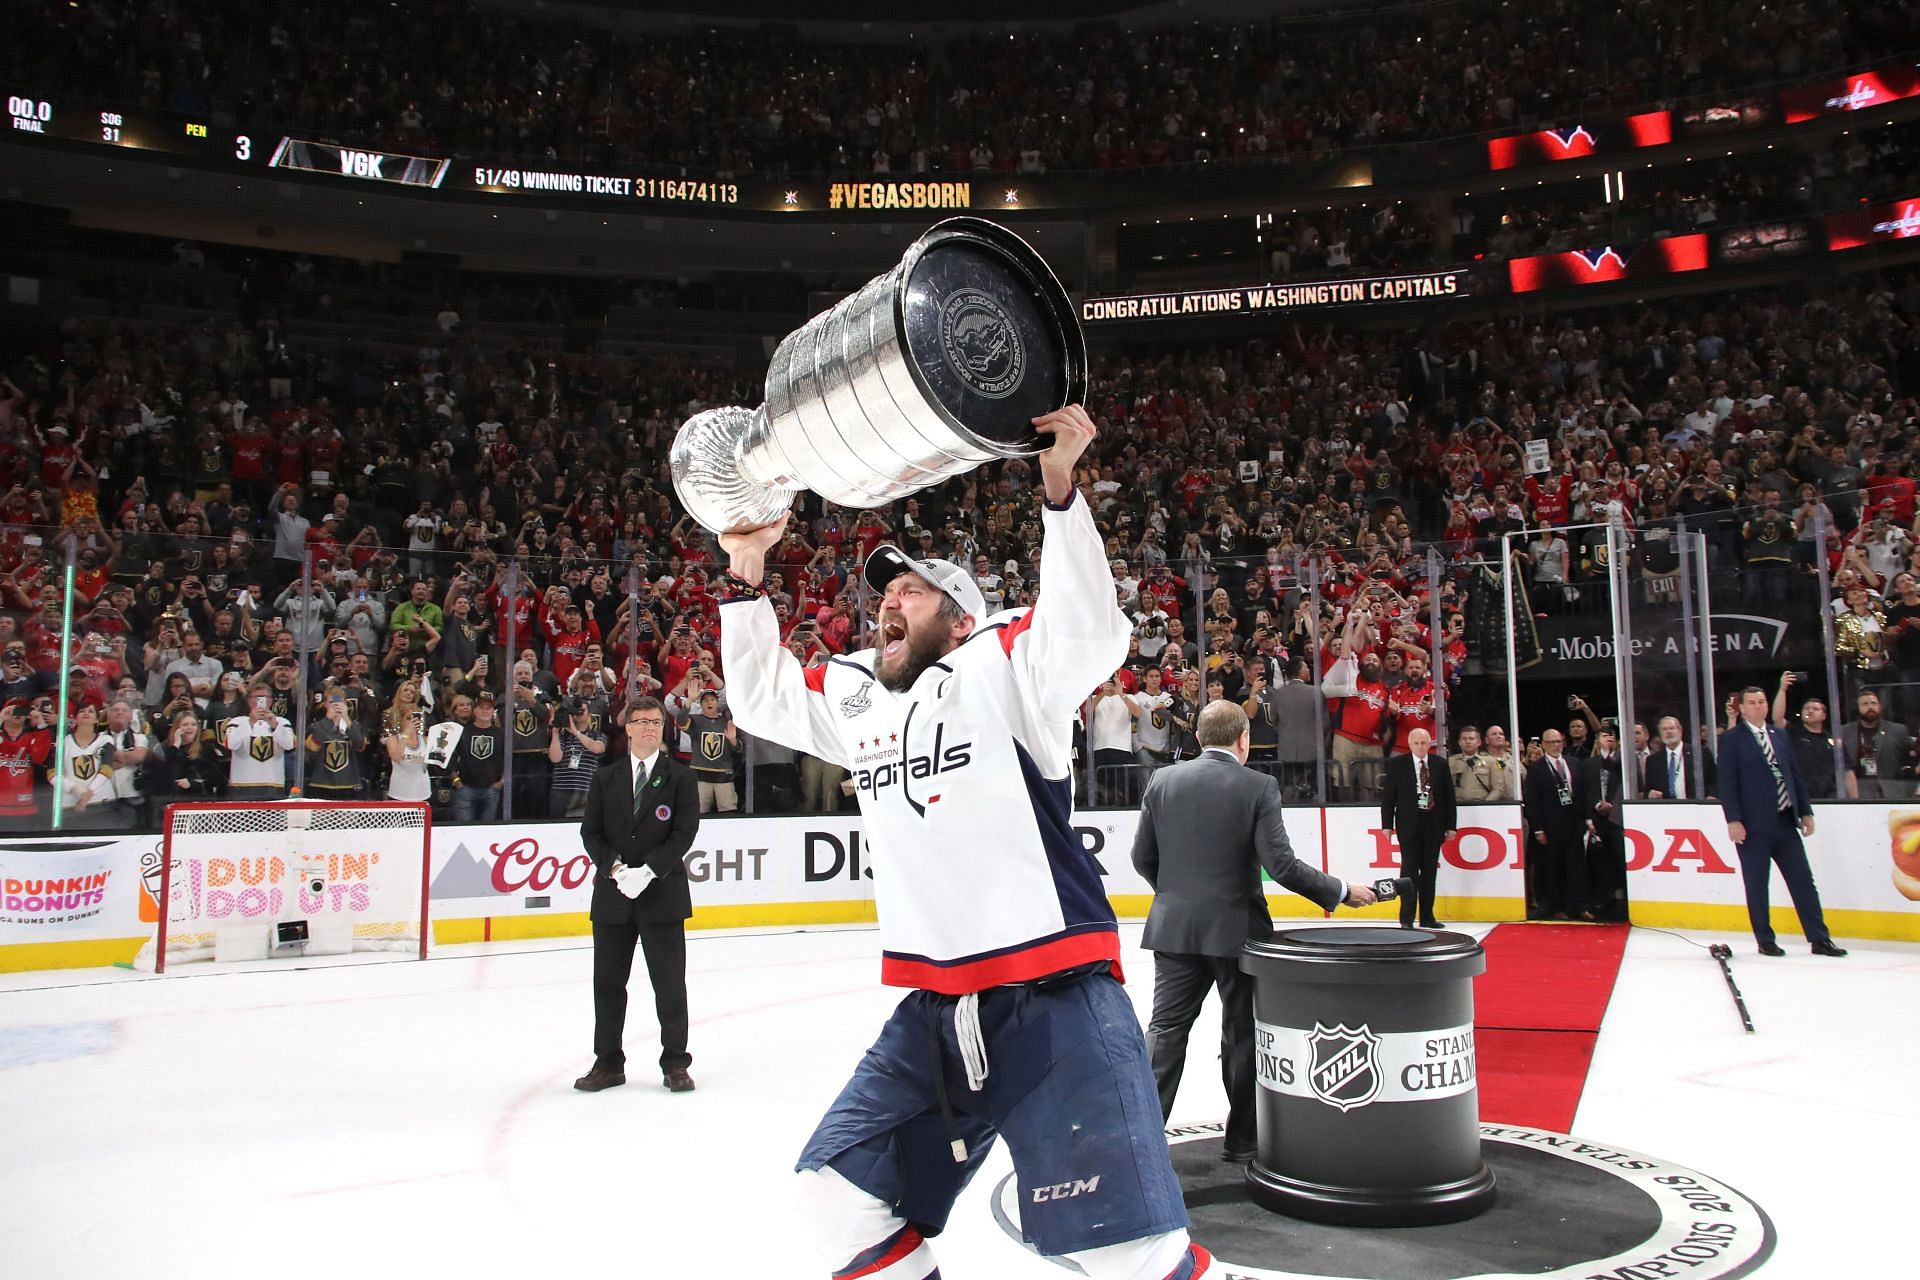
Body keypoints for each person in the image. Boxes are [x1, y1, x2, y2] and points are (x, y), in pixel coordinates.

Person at [716, 406, 1210, 1280]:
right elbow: (760, 703)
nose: (887, 604)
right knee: (832, 1205)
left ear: (960, 615)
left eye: (910, 591)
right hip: (936, 1013)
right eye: (884, 593)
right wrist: (748, 569)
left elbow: (1092, 633)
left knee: (1132, 1257)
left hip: (1055, 998)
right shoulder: (860, 695)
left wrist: (1060, 489)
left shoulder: (1007, 666)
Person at [1133, 700, 1375, 1162]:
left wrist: (1177, 894)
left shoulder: (1162, 780)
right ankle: (1242, 1140)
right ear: (1243, 739)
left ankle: (1143, 1144)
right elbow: (1281, 865)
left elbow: (1142, 858)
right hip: (1237, 932)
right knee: (1241, 1035)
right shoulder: (1258, 785)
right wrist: (1341, 891)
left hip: (1174, 928)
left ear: (1201, 737)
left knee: (1164, 1033)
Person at [574, 697, 700, 1093]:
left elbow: (684, 831)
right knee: (608, 984)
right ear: (627, 728)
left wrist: (648, 870)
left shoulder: (681, 777)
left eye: (656, 721)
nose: (648, 727)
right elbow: (589, 832)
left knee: (669, 983)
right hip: (613, 896)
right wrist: (613, 868)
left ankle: (675, 1063)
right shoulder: (605, 777)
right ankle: (608, 1063)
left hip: (661, 893)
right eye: (641, 721)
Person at [1718, 686, 1847, 958]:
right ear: (1741, 708)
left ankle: (1819, 938)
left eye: (1762, 701)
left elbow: (1793, 774)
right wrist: (1733, 819)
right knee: (1757, 883)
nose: (1758, 706)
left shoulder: (1779, 735)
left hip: (1785, 821)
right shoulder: (1732, 740)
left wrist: (1805, 811)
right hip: (1753, 826)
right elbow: (1727, 783)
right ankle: (1765, 939)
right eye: (1752, 702)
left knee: (1802, 881)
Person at [1381, 727, 1455, 929]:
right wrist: (1386, 825)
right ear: (1409, 744)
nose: (1420, 747)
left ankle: (1427, 916)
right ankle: (1406, 918)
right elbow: (1389, 797)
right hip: (1408, 825)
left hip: (1434, 825)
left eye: (1424, 743)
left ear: (1430, 744)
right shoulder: (1398, 764)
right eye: (1416, 743)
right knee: (1409, 872)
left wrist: (1451, 826)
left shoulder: (1439, 764)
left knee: (1430, 872)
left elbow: (1449, 797)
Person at [1522, 728, 1589, 920]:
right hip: (1551, 827)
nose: (1555, 745)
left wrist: (1587, 819)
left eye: (1558, 741)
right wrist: (1539, 829)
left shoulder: (1574, 763)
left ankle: (1579, 906)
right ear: (1543, 744)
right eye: (1551, 742)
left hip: (1574, 825)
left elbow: (1583, 793)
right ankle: (1557, 906)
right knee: (1554, 869)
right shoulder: (1537, 768)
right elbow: (1533, 802)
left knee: (1577, 868)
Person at [1583, 725, 1627, 921]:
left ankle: (1623, 898)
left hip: (1618, 818)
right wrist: (1596, 805)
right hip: (1597, 817)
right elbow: (1584, 790)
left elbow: (1625, 784)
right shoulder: (1588, 763)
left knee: (1620, 857)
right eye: (1604, 735)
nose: (1608, 737)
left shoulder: (1623, 762)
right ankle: (1604, 898)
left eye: (1612, 735)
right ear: (1597, 739)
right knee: (1599, 860)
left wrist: (1612, 805)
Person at [1837, 688, 1914, 799]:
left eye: (1873, 703)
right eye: (1865, 704)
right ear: (1857, 708)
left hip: (1891, 791)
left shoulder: (1898, 730)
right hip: (1857, 791)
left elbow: (1910, 756)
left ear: (1880, 706)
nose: (1870, 707)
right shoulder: (1844, 732)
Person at [224, 685, 295, 801]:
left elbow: (290, 745)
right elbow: (230, 744)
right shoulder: (237, 721)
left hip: (273, 785)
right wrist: (251, 722)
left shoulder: (281, 722)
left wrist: (275, 726)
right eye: (257, 697)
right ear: (249, 700)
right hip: (241, 786)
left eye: (265, 697)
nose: (261, 701)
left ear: (271, 701)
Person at [679, 688, 739, 813]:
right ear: (701, 705)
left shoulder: (727, 723)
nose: (709, 703)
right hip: (700, 777)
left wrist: (733, 740)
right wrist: (690, 699)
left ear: (717, 703)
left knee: (728, 813)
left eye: (712, 700)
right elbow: (680, 721)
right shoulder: (695, 720)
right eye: (705, 701)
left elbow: (739, 750)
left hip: (724, 777)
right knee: (698, 813)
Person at [548, 697, 608, 818]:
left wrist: (576, 733)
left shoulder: (597, 735)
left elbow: (598, 748)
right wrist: (555, 733)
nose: (578, 714)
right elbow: (555, 758)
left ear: (589, 714)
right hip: (561, 789)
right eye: (576, 711)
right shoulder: (563, 735)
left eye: (582, 711)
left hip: (585, 790)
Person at [451, 691, 506, 822]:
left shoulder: (501, 734)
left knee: (487, 831)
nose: (485, 711)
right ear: (474, 710)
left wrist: (502, 782)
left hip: (491, 789)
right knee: (463, 831)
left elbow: (508, 760)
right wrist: (456, 781)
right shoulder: (463, 733)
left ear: (493, 711)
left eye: (489, 708)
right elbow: (450, 758)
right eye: (481, 708)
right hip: (466, 789)